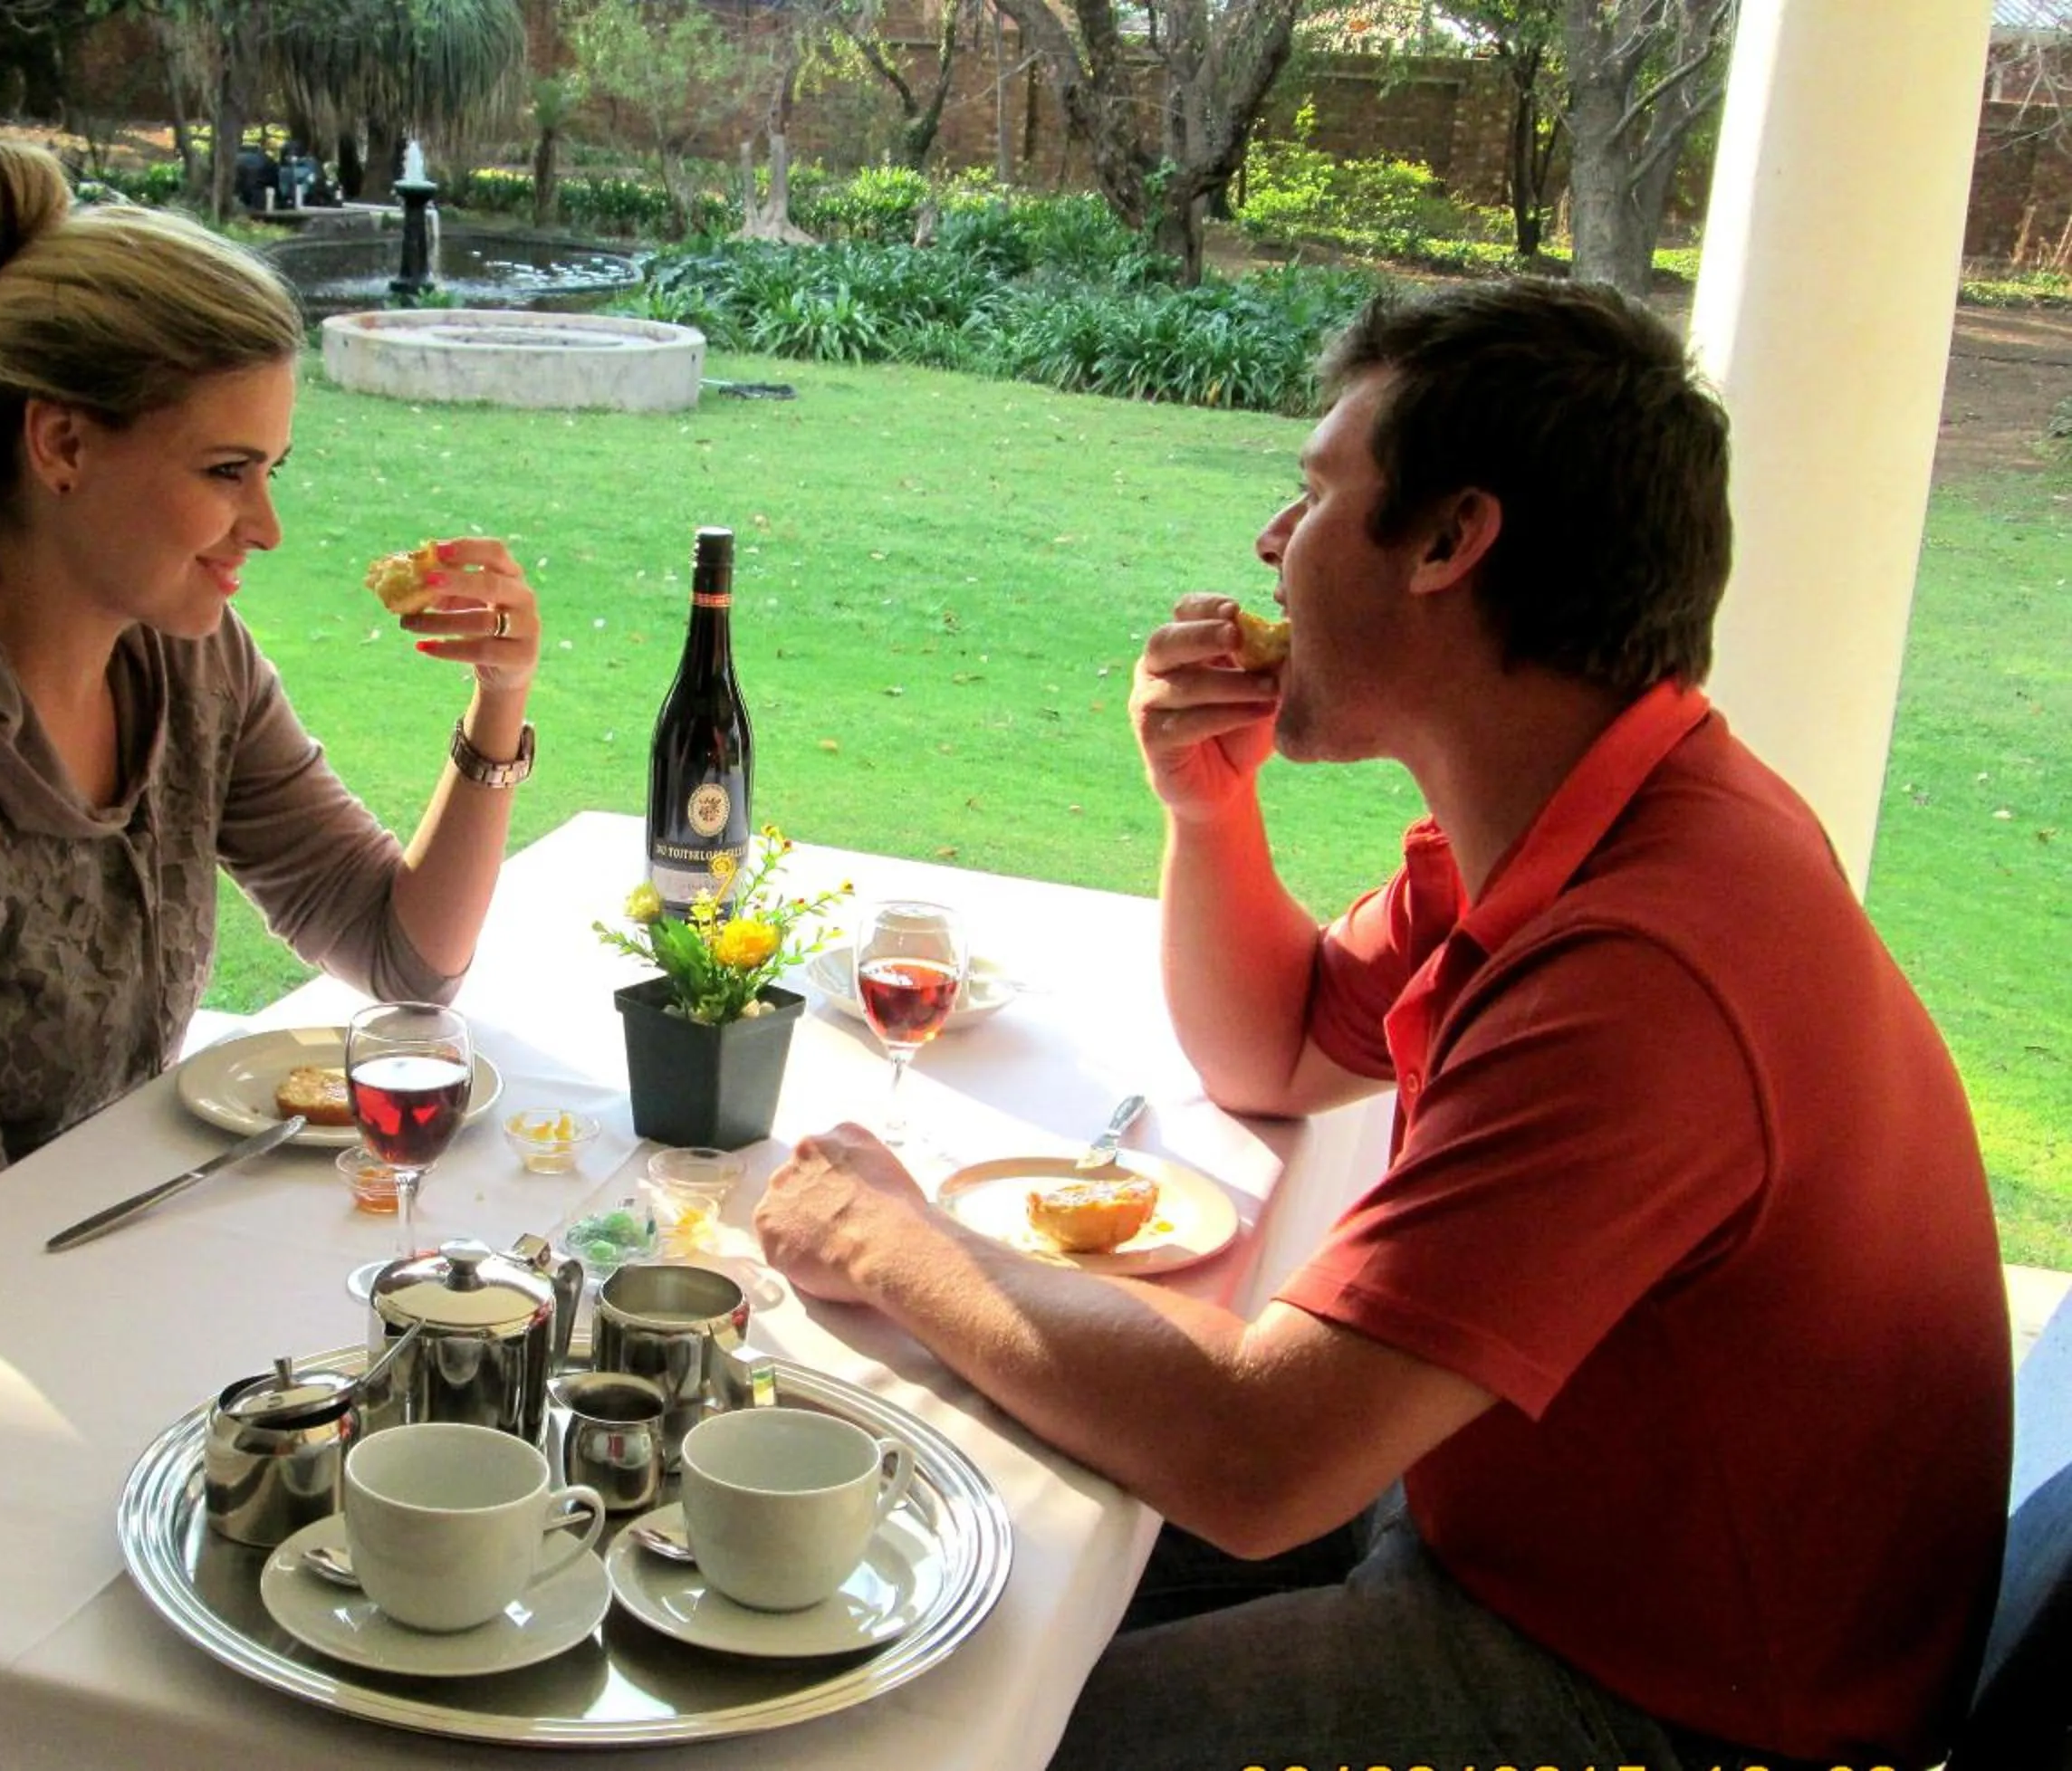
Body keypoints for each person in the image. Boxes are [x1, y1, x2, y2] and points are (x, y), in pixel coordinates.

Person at [753, 279, 2011, 1770]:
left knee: (954, 1726)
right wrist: (1208, 810)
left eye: (1314, 492)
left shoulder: (1644, 965)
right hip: (1494, 1527)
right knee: (944, 1538)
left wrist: (895, 1241)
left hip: (1672, 1704)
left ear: (1448, 540)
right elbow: (1271, 1050)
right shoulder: (1578, 810)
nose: (1274, 550)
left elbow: (1261, 1455)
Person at [0, 144, 543, 1343]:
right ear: (63, 447)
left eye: (272, 470)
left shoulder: (188, 661)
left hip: (70, 1259)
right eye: (227, 471)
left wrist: (498, 700)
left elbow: (405, 955)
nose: (269, 526)